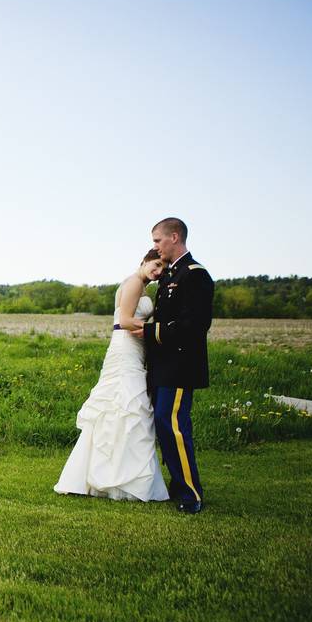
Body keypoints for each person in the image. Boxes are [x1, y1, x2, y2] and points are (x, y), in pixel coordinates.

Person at [54, 249, 170, 501]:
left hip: (136, 350)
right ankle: (107, 477)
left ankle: (123, 474)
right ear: (145, 261)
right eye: (156, 264)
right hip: (125, 349)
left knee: (130, 410)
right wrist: (161, 330)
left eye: (163, 268)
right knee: (123, 405)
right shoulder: (133, 283)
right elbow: (127, 320)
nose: (158, 271)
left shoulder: (144, 288)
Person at [132, 217, 214, 514]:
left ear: (174, 237)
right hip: (163, 365)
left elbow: (195, 324)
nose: (154, 246)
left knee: (174, 426)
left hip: (180, 366)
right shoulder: (169, 275)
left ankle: (191, 494)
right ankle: (178, 485)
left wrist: (153, 332)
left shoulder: (195, 275)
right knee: (164, 427)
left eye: (157, 240)